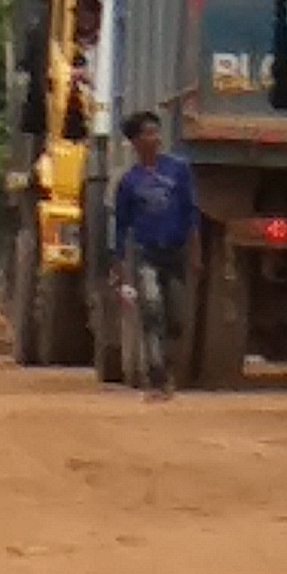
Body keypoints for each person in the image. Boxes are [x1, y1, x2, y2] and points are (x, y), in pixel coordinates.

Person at [108, 111, 200, 397]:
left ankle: (168, 364)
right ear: (135, 142)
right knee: (151, 308)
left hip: (176, 253)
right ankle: (157, 375)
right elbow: (121, 227)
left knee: (177, 318)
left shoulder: (178, 170)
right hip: (147, 253)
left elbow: (191, 213)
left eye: (156, 133)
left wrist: (196, 253)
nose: (154, 138)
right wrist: (119, 264)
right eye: (147, 133)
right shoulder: (129, 182)